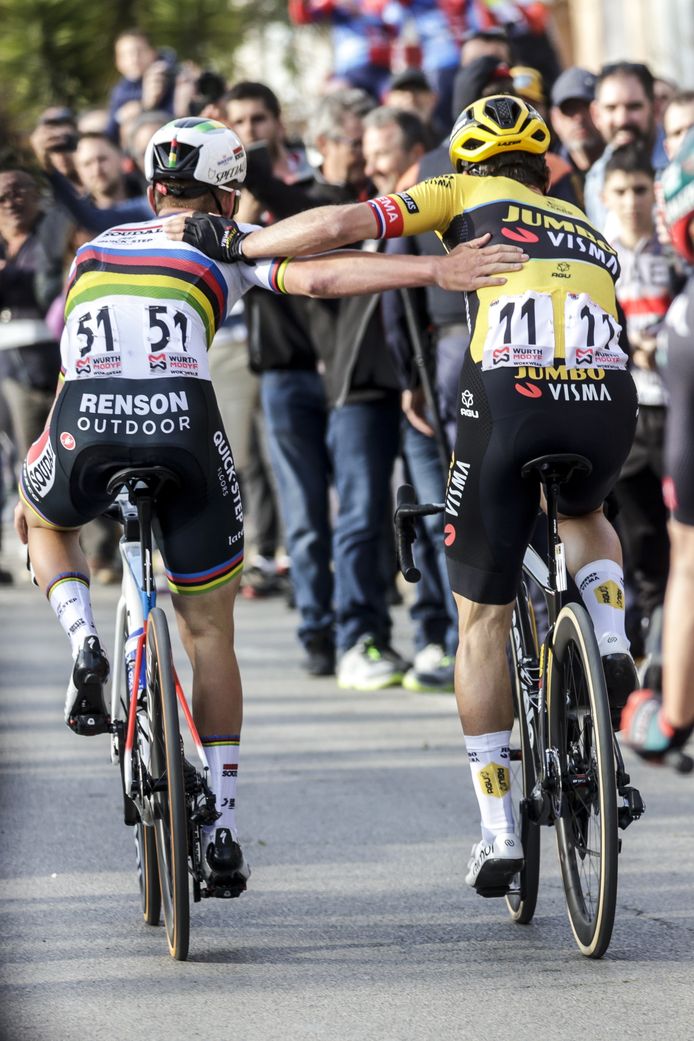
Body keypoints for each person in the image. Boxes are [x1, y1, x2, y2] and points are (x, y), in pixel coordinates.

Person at [14, 115, 526, 897]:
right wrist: (434, 273)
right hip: (184, 428)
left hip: (84, 417)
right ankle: (218, 824)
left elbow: (73, 355)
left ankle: (84, 636)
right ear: (228, 193)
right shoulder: (227, 241)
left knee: (41, 515)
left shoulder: (92, 251)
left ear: (153, 190)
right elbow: (321, 277)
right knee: (210, 629)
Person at [169, 95, 641, 896]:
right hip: (607, 399)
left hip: (511, 396)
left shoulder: (459, 192)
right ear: (544, 166)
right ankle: (610, 629)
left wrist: (242, 240)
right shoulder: (585, 224)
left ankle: (497, 832)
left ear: (466, 163)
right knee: (584, 510)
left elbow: (340, 225)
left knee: (482, 619)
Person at [621, 128, 694, 761]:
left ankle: (672, 710)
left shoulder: (680, 302)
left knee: (683, 553)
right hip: (638, 412)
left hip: (670, 402)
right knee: (652, 553)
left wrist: (671, 723)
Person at [603, 144, 681, 661]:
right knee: (634, 541)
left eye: (639, 190)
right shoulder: (598, 255)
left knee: (677, 542)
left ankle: (667, 651)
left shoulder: (674, 253)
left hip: (674, 409)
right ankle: (638, 651)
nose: (631, 201)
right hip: (624, 416)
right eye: (620, 191)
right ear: (605, 196)